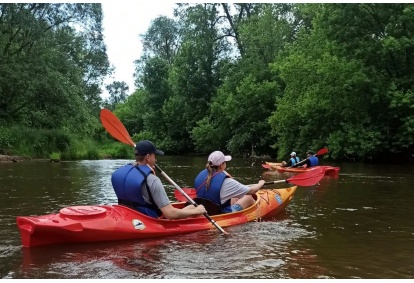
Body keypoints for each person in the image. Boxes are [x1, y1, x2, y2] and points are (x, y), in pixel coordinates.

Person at [111, 140, 206, 219]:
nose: (155, 160)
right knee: (197, 211)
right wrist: (197, 211)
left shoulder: (118, 173)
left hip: (126, 215)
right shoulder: (152, 180)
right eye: (154, 156)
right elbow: (170, 214)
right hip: (146, 220)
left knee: (191, 206)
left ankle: (193, 208)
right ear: (148, 157)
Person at [193, 150, 265, 214]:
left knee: (233, 196)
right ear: (221, 165)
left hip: (205, 209)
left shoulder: (200, 175)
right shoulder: (226, 182)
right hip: (220, 213)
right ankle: (256, 214)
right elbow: (252, 191)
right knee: (248, 197)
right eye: (225, 162)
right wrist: (261, 183)